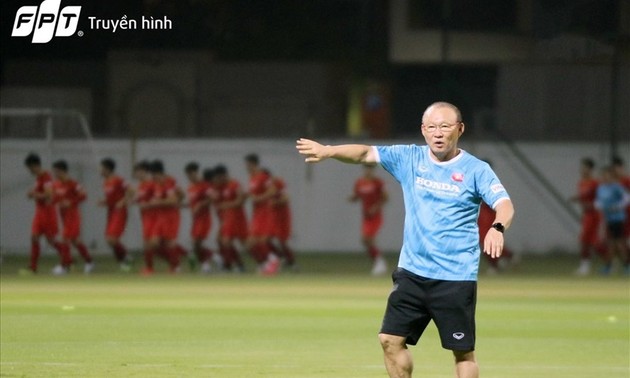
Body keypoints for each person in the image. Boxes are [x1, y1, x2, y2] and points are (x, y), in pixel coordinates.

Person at [297, 101, 514, 378]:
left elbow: (505, 204)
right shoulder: (409, 158)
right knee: (389, 339)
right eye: (432, 127)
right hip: (412, 273)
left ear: (459, 129)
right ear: (423, 130)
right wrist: (328, 151)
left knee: (462, 351)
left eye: (445, 127)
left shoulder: (476, 169)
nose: (438, 133)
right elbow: (365, 153)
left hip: (455, 276)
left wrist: (497, 227)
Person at [21, 153, 72, 275]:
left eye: (30, 168)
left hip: (47, 212)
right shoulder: (39, 178)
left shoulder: (46, 177)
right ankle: (32, 267)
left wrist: (34, 195)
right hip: (39, 211)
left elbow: (49, 195)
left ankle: (67, 260)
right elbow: (41, 193)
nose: (29, 171)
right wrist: (34, 194)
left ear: (35, 165)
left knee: (51, 240)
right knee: (34, 237)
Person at [51, 160, 94, 274]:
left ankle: (64, 266)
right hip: (64, 216)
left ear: (62, 171)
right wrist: (52, 201)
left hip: (73, 215)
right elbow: (56, 198)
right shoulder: (56, 184)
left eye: (56, 171)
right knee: (75, 241)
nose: (54, 174)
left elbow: (84, 195)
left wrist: (71, 202)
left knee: (64, 239)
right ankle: (89, 261)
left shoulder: (73, 184)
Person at [143, 160, 185, 274]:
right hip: (160, 215)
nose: (151, 177)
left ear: (157, 172)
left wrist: (158, 202)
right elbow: (180, 195)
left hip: (171, 216)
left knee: (169, 242)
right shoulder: (157, 183)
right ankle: (149, 268)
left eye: (152, 174)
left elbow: (174, 199)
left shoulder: (169, 182)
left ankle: (176, 267)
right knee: (152, 242)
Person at [349, 165, 388, 275]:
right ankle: (378, 261)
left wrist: (375, 207)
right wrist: (352, 198)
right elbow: (357, 195)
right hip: (366, 217)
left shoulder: (378, 183)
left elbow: (385, 198)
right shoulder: (360, 183)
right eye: (366, 169)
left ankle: (379, 263)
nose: (368, 171)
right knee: (365, 240)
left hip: (375, 216)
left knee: (368, 238)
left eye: (370, 169)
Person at [244, 154, 280, 275]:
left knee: (262, 241)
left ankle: (273, 261)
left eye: (248, 164)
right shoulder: (252, 178)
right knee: (249, 244)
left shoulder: (263, 177)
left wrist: (259, 198)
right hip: (256, 214)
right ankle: (265, 263)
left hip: (265, 213)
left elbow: (273, 190)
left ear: (253, 164)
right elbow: (253, 194)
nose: (246, 167)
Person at [571, 158, 605, 276]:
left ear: (590, 169)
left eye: (584, 167)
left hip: (594, 215)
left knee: (586, 241)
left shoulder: (595, 183)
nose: (582, 170)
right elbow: (583, 198)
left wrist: (592, 205)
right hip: (587, 215)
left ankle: (587, 266)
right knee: (590, 242)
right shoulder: (581, 183)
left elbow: (600, 198)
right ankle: (589, 265)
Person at [594, 166, 630, 275]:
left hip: (618, 218)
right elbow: (598, 202)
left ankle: (617, 266)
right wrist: (599, 206)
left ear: (612, 176)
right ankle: (610, 266)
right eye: (604, 175)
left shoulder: (616, 187)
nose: (605, 177)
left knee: (617, 243)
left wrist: (618, 206)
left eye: (608, 175)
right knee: (613, 244)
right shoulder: (601, 188)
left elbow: (627, 198)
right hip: (608, 219)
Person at [98, 158, 132, 272]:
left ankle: (125, 259)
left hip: (120, 212)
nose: (100, 170)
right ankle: (124, 259)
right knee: (109, 240)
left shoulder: (119, 180)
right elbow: (111, 198)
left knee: (111, 239)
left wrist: (123, 201)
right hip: (111, 212)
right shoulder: (106, 182)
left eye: (101, 168)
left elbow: (132, 191)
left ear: (107, 169)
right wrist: (104, 202)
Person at [211, 165, 246, 272]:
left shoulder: (235, 184)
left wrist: (227, 205)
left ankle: (233, 265)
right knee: (221, 241)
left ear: (224, 175)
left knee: (227, 241)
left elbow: (240, 200)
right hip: (226, 219)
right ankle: (232, 265)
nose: (217, 180)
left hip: (236, 218)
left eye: (219, 177)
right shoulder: (219, 187)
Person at [184, 162, 213, 273]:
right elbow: (192, 203)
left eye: (191, 174)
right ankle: (212, 258)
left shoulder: (205, 185)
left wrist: (200, 204)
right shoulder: (191, 188)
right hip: (195, 220)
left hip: (204, 219)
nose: (190, 177)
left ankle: (205, 264)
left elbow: (211, 198)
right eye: (188, 175)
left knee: (196, 243)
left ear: (196, 173)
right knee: (195, 244)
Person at [267, 170, 297, 270]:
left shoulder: (278, 183)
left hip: (282, 216)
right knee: (266, 239)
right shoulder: (266, 185)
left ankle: (291, 262)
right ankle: (279, 258)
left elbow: (286, 198)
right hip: (273, 216)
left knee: (282, 241)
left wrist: (275, 202)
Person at [611, 156, 630, 262]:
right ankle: (620, 261)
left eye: (618, 168)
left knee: (624, 239)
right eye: (614, 168)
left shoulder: (626, 180)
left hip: (626, 213)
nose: (616, 170)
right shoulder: (612, 182)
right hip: (614, 214)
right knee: (615, 239)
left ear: (622, 168)